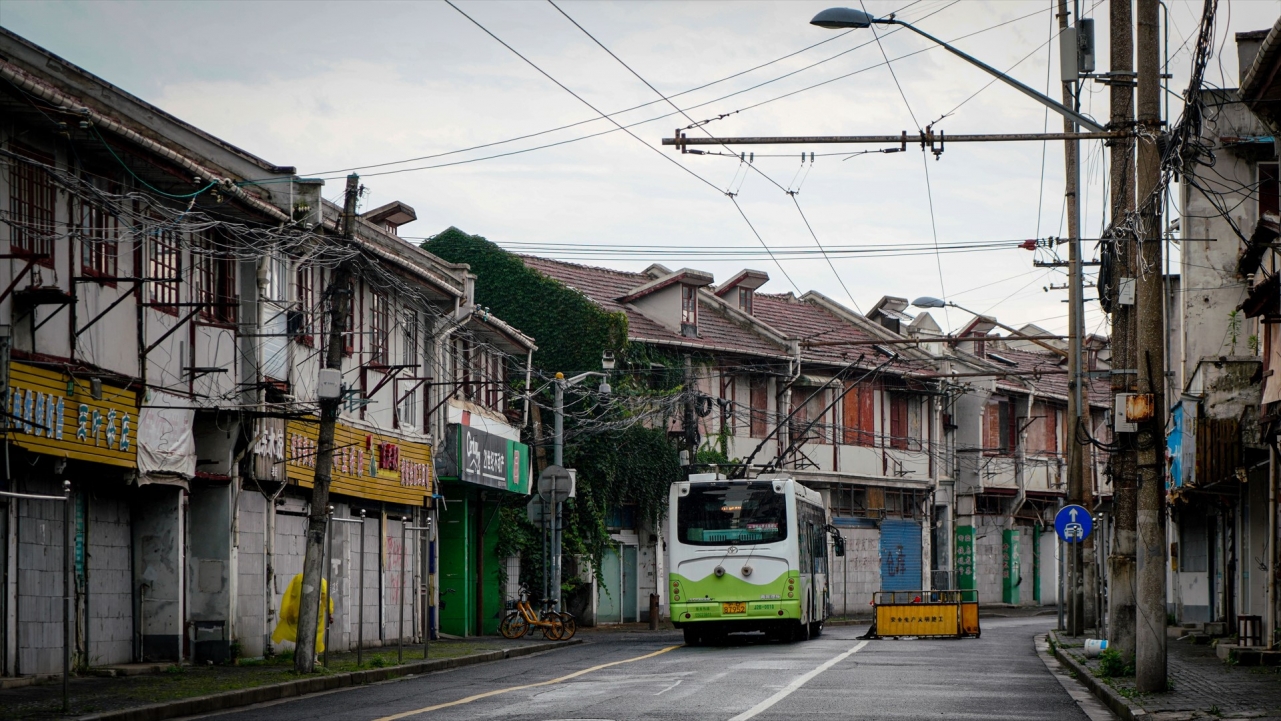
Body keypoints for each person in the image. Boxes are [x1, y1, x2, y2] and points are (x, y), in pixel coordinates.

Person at [271, 573, 334, 653]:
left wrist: (287, 611)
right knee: (314, 636)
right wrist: (330, 613)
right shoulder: (321, 581)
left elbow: (289, 594)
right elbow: (326, 599)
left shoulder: (298, 578)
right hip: (315, 614)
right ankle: (312, 655)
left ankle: (300, 652)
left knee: (300, 633)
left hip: (297, 612)